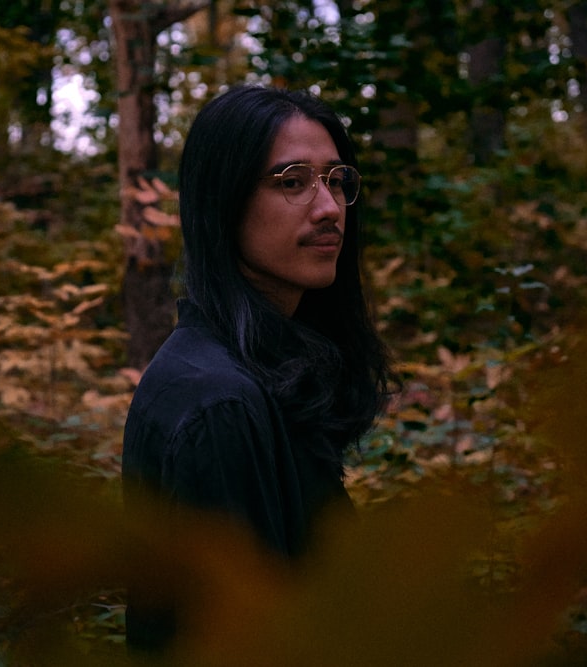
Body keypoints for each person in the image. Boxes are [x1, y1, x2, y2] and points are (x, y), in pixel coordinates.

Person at [121, 84, 396, 653]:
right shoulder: (220, 406)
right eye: (292, 182)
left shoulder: (266, 369)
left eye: (335, 180)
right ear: (223, 203)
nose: (328, 208)